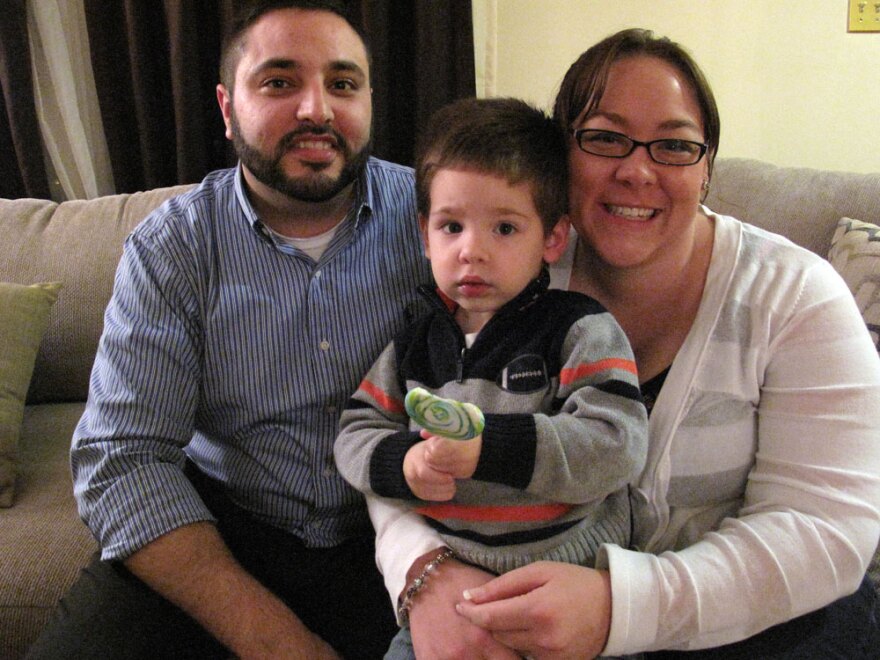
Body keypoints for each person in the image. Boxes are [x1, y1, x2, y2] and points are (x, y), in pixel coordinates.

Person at [369, 28, 880, 659]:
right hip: (508, 599)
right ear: (559, 160)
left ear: (707, 167)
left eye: (674, 145)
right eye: (605, 138)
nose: (637, 170)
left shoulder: (797, 298)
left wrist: (622, 607)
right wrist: (427, 575)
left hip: (747, 624)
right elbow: (401, 436)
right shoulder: (505, 267)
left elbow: (826, 530)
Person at [26, 2, 433, 658]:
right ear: (226, 107)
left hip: (401, 527)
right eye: (279, 82)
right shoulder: (172, 249)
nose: (316, 110)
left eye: (343, 83)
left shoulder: (441, 221)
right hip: (226, 529)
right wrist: (275, 641)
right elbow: (123, 458)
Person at [332, 97, 648, 659]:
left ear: (552, 239)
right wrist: (401, 463)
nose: (471, 251)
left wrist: (485, 451)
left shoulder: (576, 327)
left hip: (572, 583)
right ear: (425, 236)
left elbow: (617, 442)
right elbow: (355, 430)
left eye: (504, 227)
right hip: (451, 588)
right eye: (450, 226)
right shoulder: (414, 345)